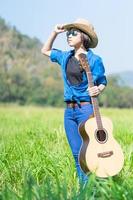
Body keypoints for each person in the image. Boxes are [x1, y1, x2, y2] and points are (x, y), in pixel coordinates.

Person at [41, 18, 107, 185]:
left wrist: (98, 89)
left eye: (73, 32)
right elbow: (45, 50)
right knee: (77, 154)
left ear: (84, 36)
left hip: (86, 110)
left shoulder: (94, 59)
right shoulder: (64, 57)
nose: (69, 35)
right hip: (69, 113)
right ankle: (84, 190)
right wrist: (55, 32)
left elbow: (102, 81)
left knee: (88, 153)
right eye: (68, 33)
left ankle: (94, 187)